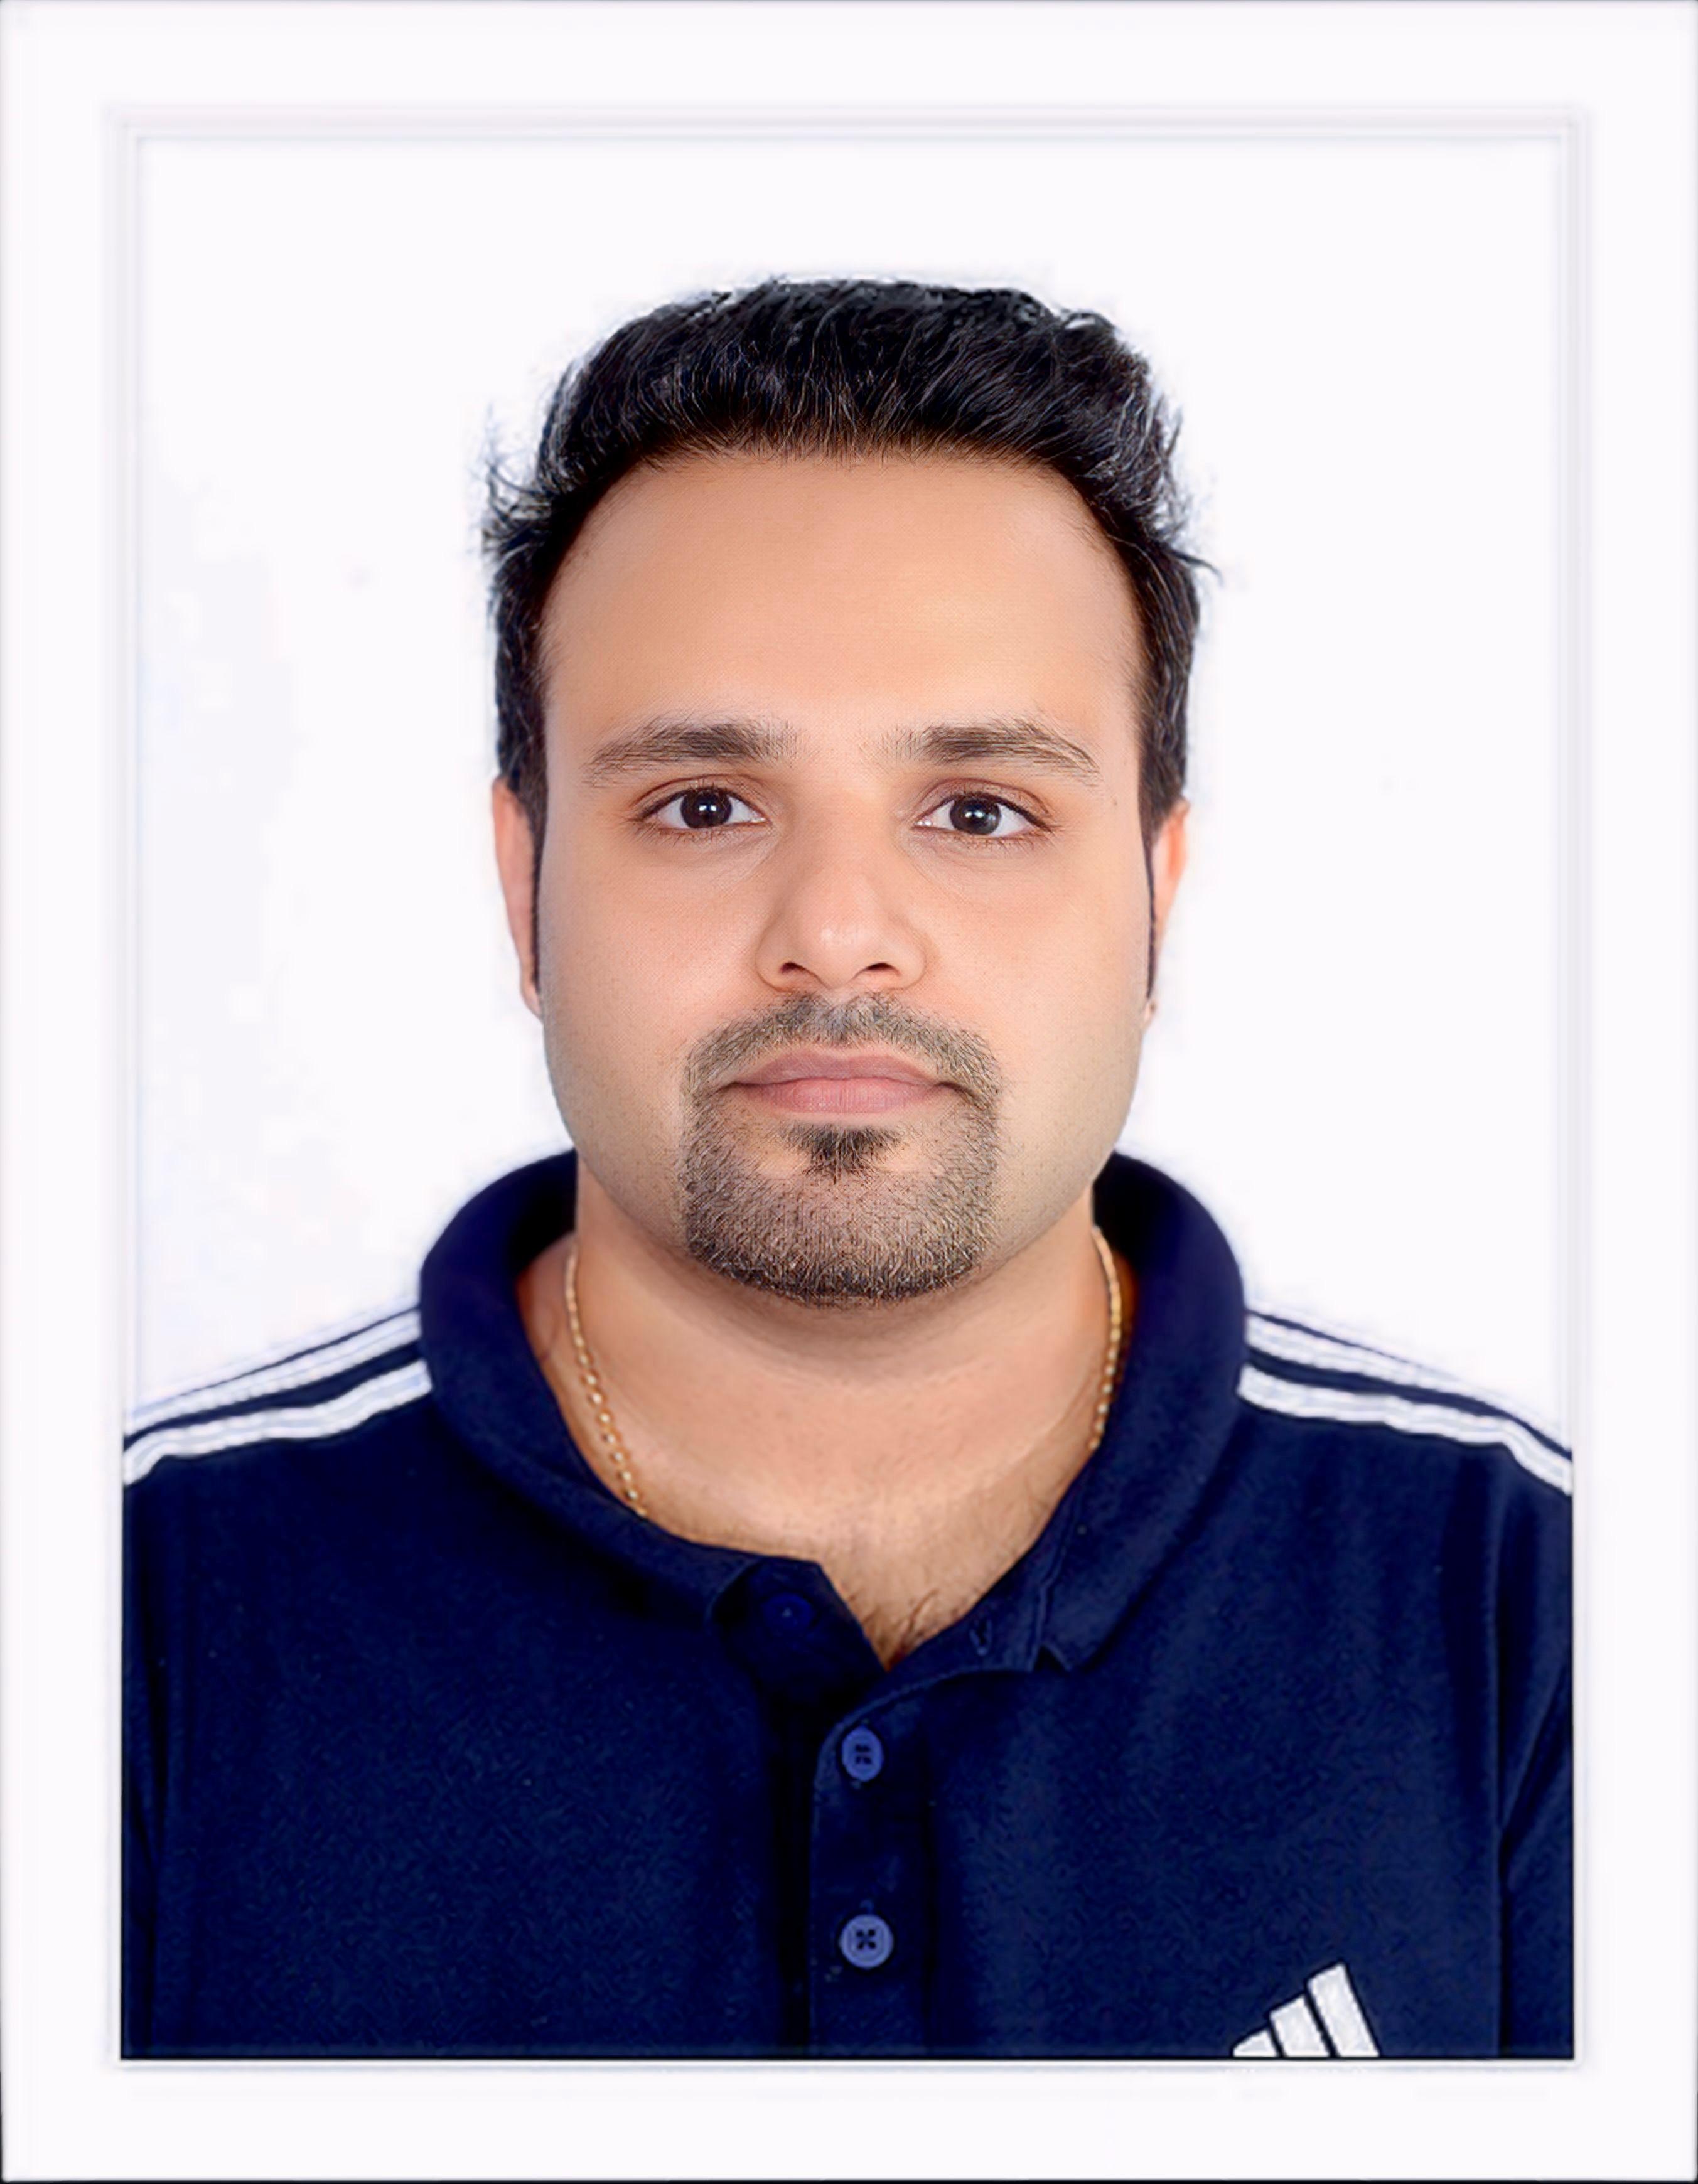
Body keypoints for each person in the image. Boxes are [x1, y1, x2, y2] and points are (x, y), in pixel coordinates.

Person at [122, 276, 1572, 2060]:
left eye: (979, 810)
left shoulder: (1538, 1598)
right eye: (703, 806)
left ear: (1154, 894)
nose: (836, 932)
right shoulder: (124, 1605)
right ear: (525, 887)